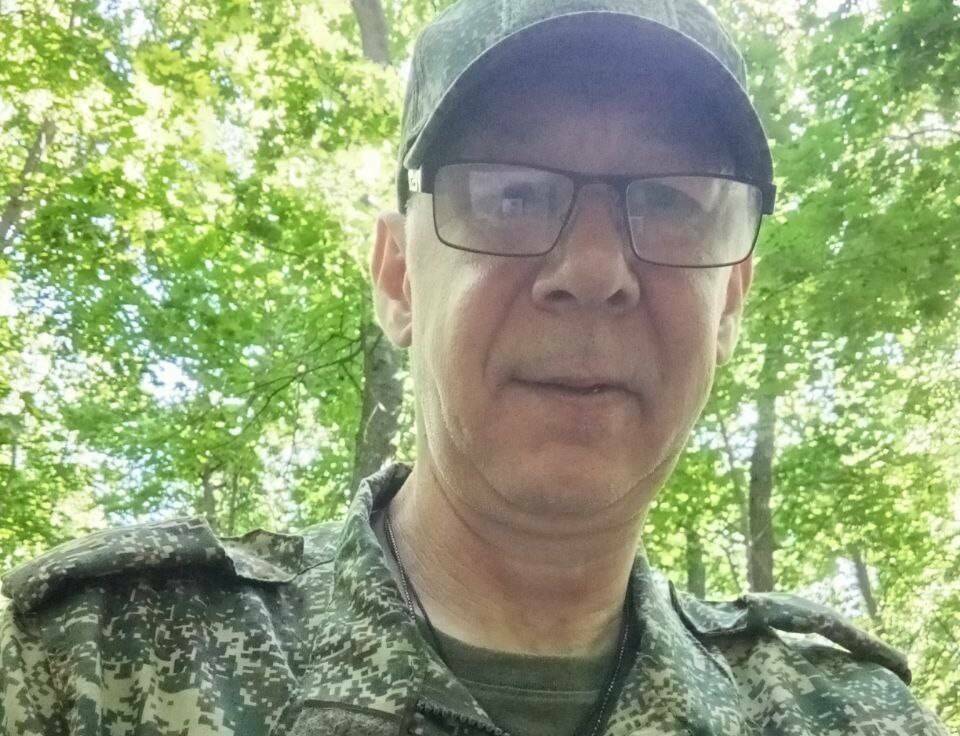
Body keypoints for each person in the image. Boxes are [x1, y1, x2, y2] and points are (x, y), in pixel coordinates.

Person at [0, 1, 950, 734]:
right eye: (512, 194)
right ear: (398, 277)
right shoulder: (91, 665)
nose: (593, 271)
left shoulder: (847, 715)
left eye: (670, 203)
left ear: (731, 301)